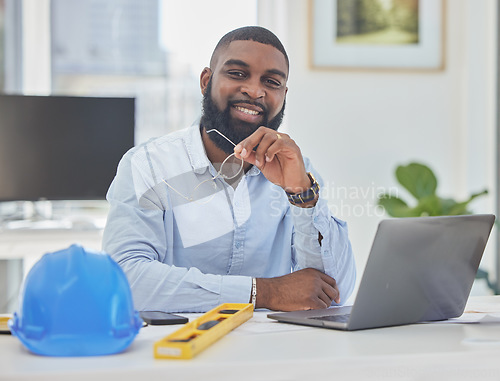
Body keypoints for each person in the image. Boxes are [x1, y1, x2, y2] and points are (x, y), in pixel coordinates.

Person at [102, 26, 356, 313]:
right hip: (177, 351)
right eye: (237, 74)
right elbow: (124, 280)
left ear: (283, 95)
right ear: (206, 81)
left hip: (278, 352)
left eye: (271, 82)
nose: (254, 90)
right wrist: (264, 293)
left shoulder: (296, 171)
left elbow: (336, 292)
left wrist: (302, 196)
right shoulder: (149, 165)